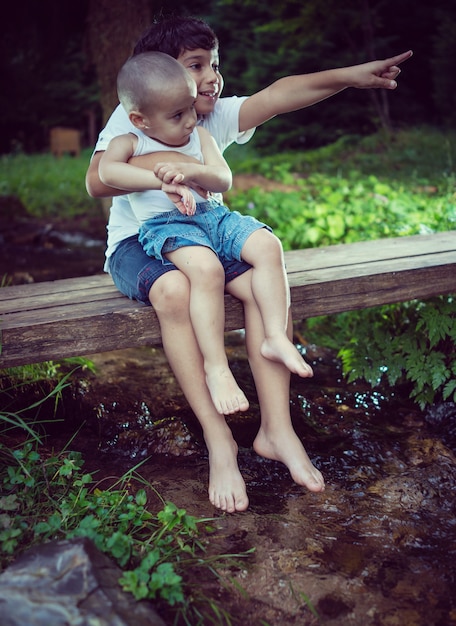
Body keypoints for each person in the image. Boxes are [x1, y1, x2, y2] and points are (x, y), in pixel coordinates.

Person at [86, 15, 412, 513]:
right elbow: (97, 180)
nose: (211, 77)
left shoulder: (206, 115)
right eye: (196, 66)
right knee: (174, 290)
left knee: (262, 278)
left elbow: (280, 94)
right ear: (163, 75)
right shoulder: (142, 113)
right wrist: (160, 172)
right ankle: (220, 441)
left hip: (205, 231)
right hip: (140, 242)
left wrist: (351, 75)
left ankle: (277, 431)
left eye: (214, 64)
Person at [98, 51, 313, 418]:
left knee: (267, 244)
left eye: (190, 109)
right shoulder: (131, 141)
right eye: (177, 114)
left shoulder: (198, 135)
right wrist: (159, 179)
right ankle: (217, 366)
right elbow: (106, 174)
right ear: (140, 119)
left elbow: (223, 178)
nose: (190, 120)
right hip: (168, 226)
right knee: (207, 269)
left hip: (214, 216)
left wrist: (189, 169)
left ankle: (275, 336)